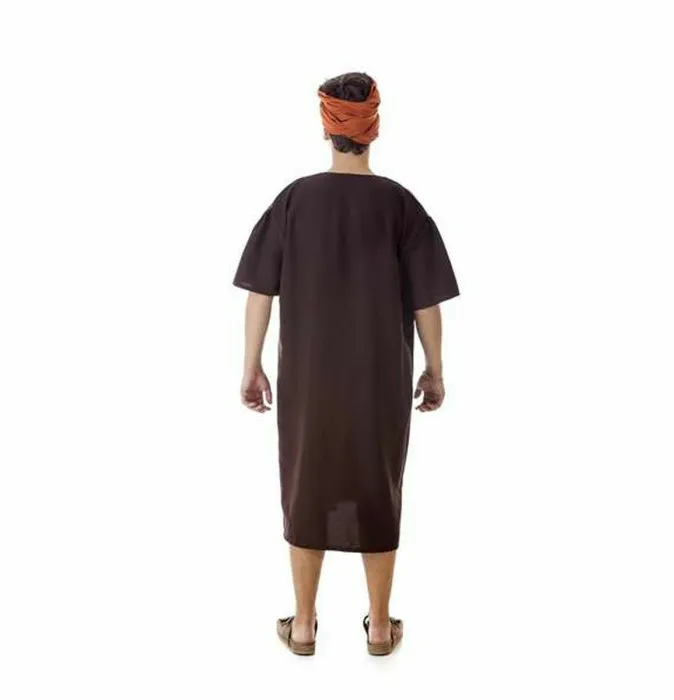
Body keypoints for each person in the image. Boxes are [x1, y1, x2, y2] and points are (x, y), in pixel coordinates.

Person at [232, 72, 459, 656]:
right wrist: (434, 370)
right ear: (373, 128)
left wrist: (251, 364)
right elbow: (426, 303)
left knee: (305, 485)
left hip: (308, 380)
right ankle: (379, 627)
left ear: (326, 127)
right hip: (380, 380)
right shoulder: (400, 204)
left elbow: (260, 292)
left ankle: (304, 625)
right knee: (379, 486)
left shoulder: (295, 200)